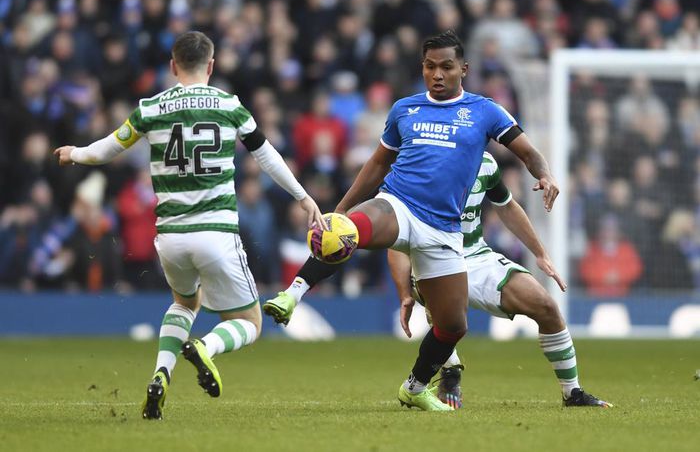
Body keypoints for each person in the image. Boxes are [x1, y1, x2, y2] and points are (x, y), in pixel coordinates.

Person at [264, 30, 560, 411]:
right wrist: (339, 209)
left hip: (444, 230)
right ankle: (293, 295)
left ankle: (415, 387)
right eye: (430, 66)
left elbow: (528, 152)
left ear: (463, 69)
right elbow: (377, 165)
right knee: (347, 230)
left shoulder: (485, 111)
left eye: (446, 67)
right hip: (399, 205)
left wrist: (546, 174)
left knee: (453, 326)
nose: (437, 74)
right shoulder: (405, 109)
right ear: (422, 68)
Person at [54, 31, 324, 420]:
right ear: (211, 66)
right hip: (216, 232)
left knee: (185, 302)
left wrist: (75, 153)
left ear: (172, 65)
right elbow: (267, 156)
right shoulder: (229, 105)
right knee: (249, 321)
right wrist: (302, 196)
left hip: (170, 238)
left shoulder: (152, 108)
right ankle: (206, 348)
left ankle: (161, 373)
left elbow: (110, 147)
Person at [388, 152, 612, 409]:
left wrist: (540, 253)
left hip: (476, 256)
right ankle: (450, 372)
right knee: (447, 318)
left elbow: (506, 205)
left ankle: (572, 394)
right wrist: (404, 292)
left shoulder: (485, 163)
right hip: (432, 258)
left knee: (545, 305)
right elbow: (396, 241)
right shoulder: (418, 164)